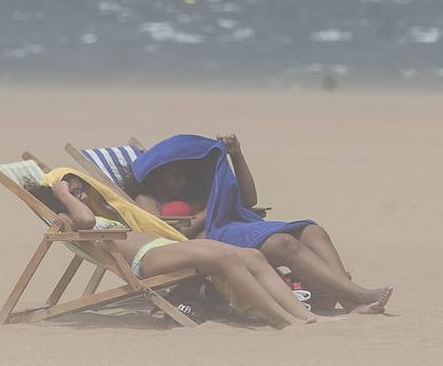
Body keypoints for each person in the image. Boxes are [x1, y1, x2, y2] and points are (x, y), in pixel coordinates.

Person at [132, 133, 392, 315]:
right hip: (208, 242)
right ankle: (358, 294)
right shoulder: (146, 199)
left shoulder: (193, 191)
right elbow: (164, 236)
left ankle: (350, 304)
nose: (183, 181)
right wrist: (209, 210)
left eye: (185, 175)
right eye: (176, 176)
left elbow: (248, 199)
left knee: (312, 230)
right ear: (157, 175)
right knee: (284, 244)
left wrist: (236, 156)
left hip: (232, 226)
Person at [31, 172, 315, 328]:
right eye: (75, 192)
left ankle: (299, 313)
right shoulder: (67, 218)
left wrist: (74, 195)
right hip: (147, 259)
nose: (81, 195)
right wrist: (63, 194)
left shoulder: (95, 211)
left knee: (252, 255)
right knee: (226, 258)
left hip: (163, 247)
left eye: (81, 189)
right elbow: (85, 222)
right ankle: (280, 319)